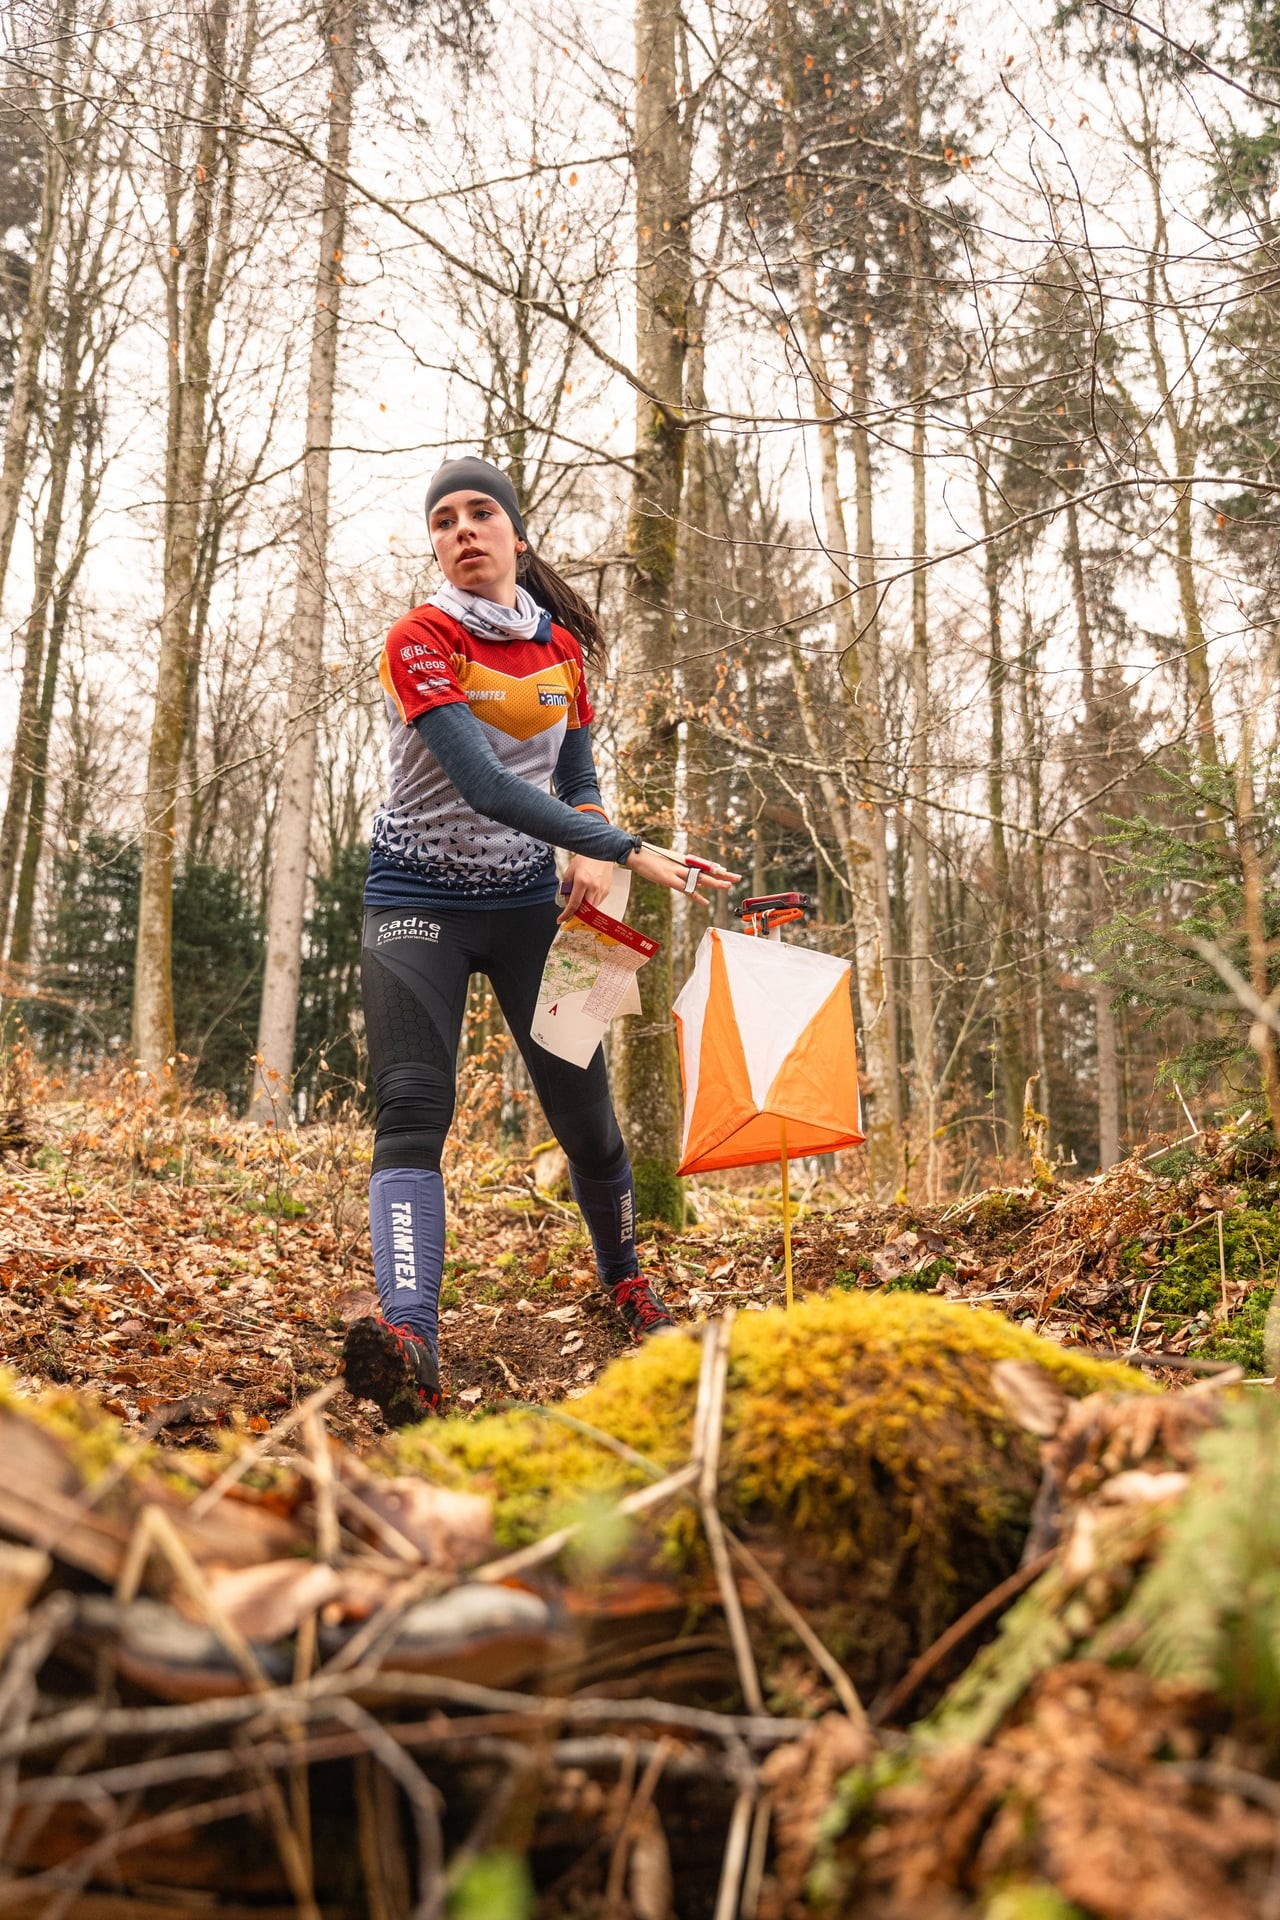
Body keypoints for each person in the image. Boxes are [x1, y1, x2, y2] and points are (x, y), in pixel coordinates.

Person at [342, 456, 737, 1426]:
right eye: (443, 520)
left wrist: (593, 842)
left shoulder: (560, 651)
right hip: (415, 898)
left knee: (587, 1119)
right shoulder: (418, 639)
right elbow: (483, 785)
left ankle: (625, 1281)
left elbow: (575, 774)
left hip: (533, 907)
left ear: (515, 535)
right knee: (411, 1107)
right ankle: (409, 1339)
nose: (461, 530)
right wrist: (626, 847)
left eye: (480, 513)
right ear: (435, 547)